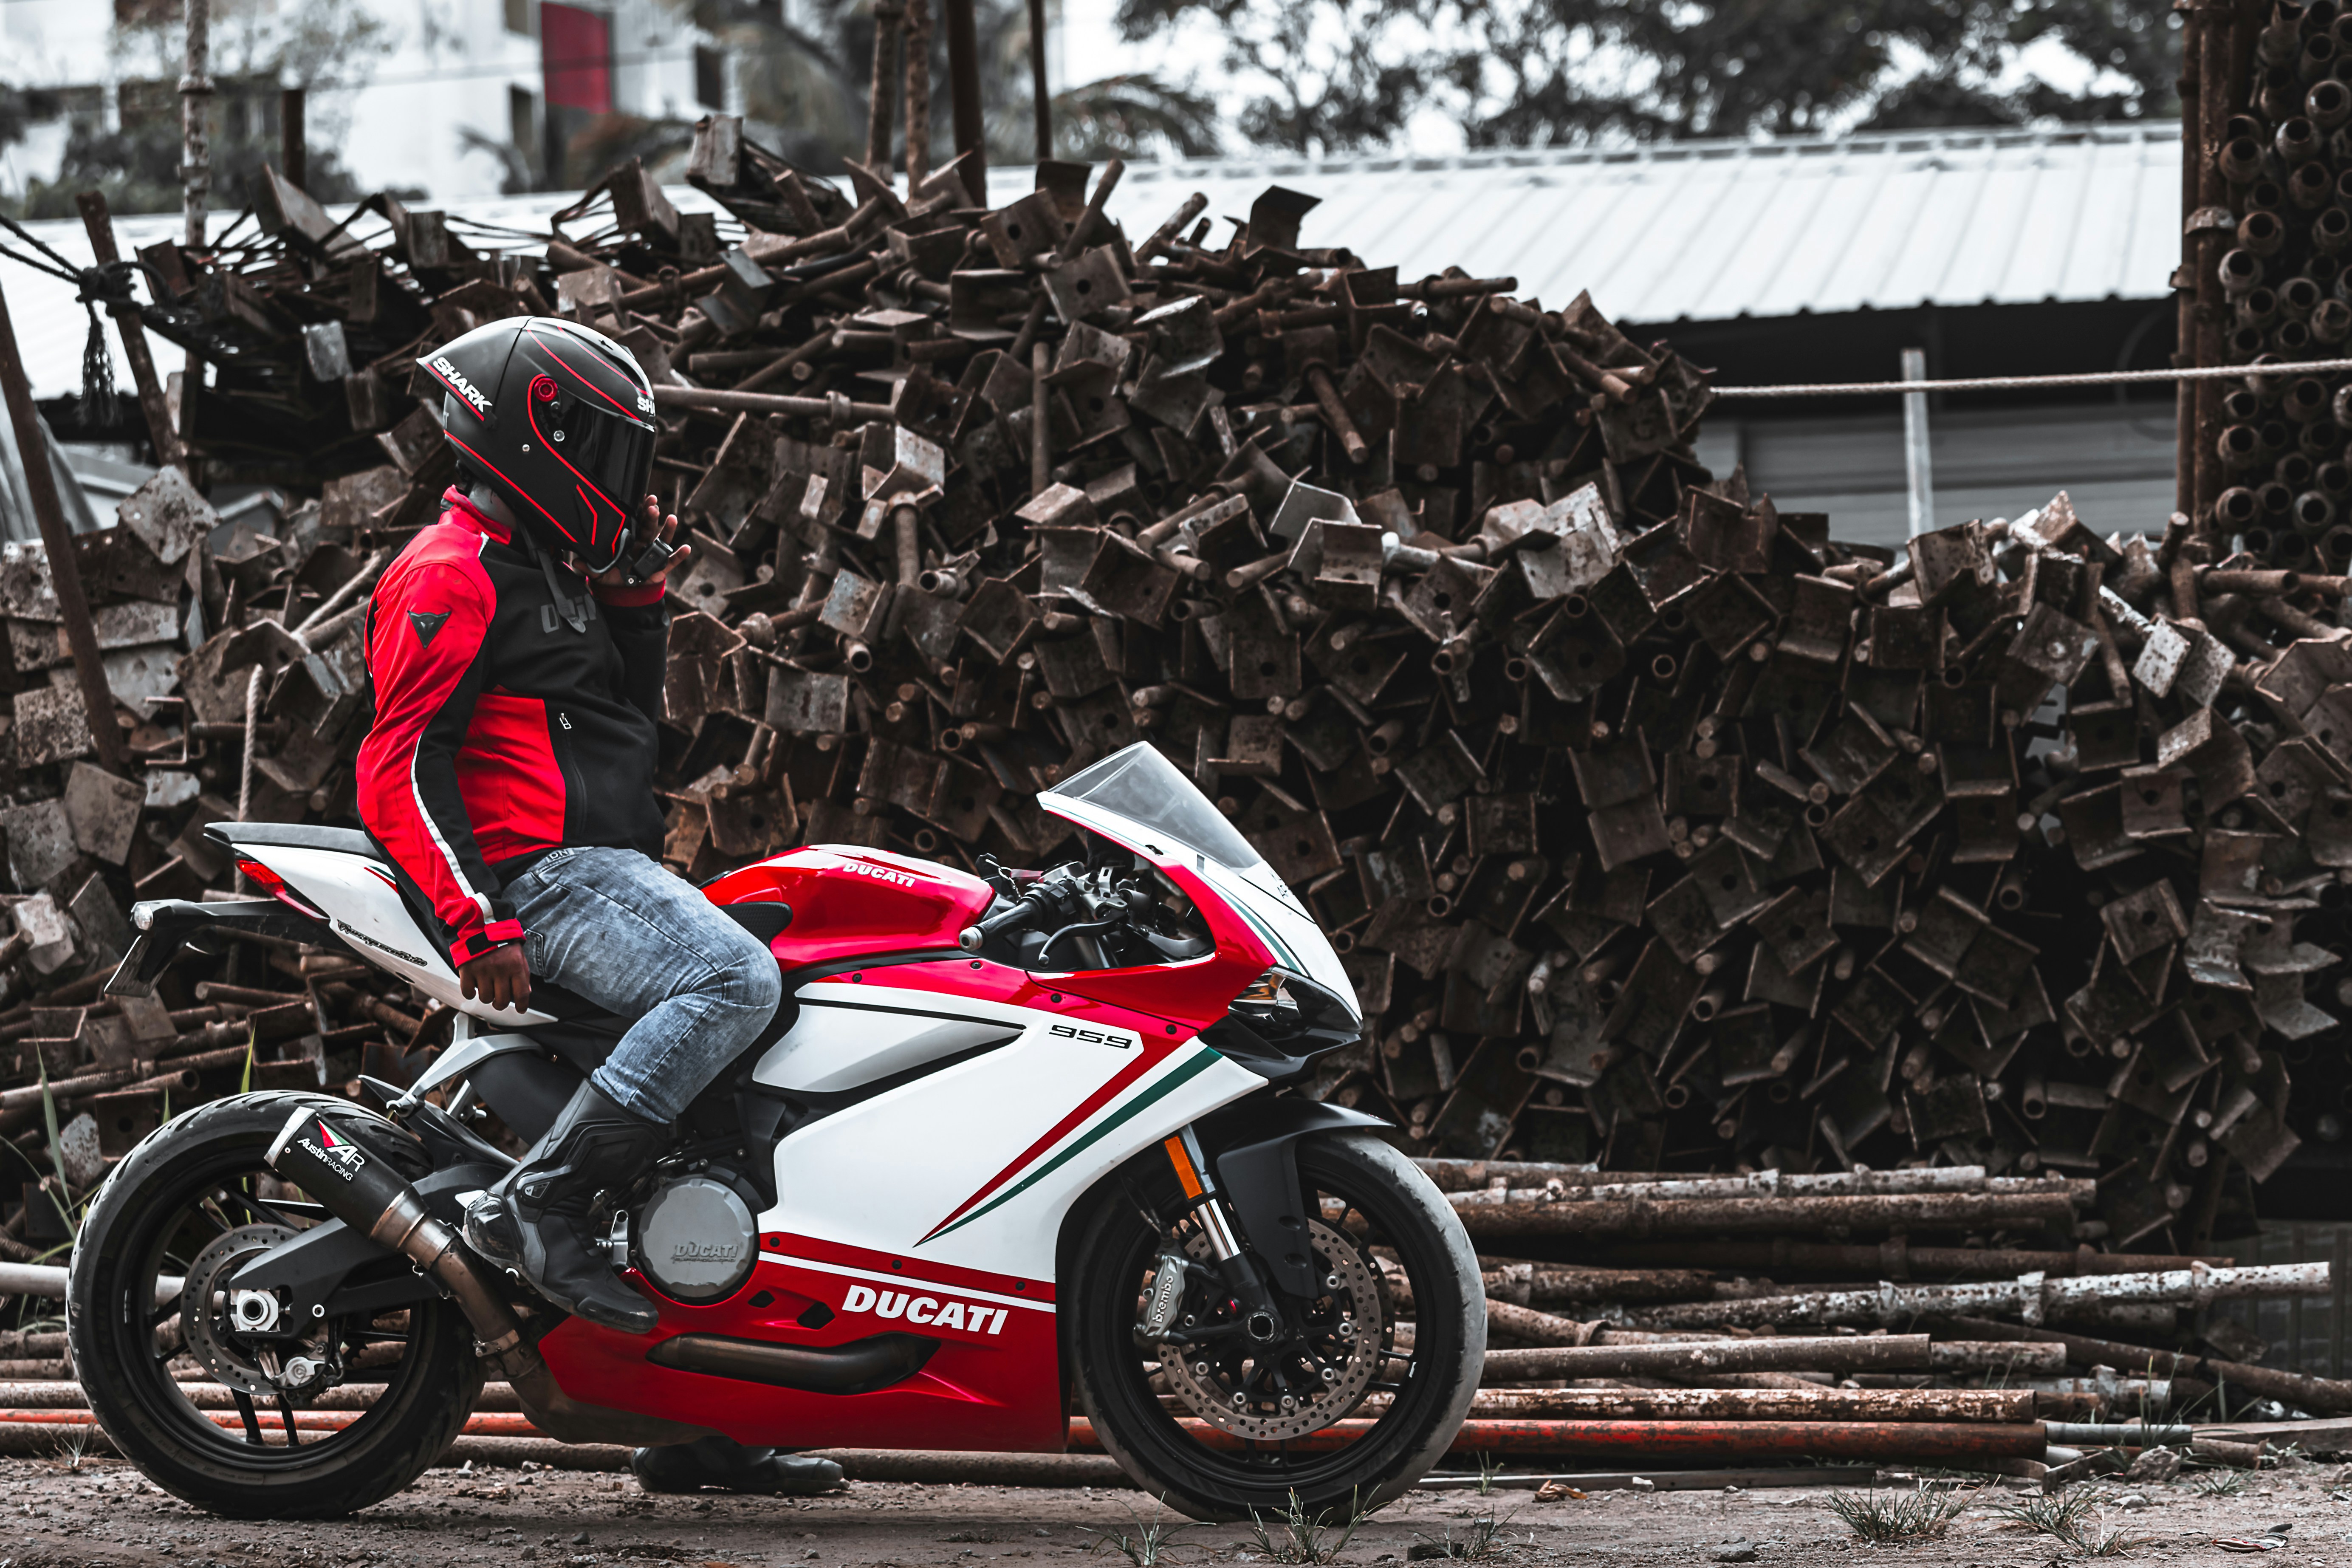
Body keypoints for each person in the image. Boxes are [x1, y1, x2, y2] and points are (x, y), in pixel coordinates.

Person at [355, 315, 784, 1336]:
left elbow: (619, 727)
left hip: (598, 864)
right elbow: (396, 766)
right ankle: (538, 1201)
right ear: (529, 434)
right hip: (534, 876)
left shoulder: (545, 562)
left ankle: (703, 1413)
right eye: (603, 450)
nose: (624, 479)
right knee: (733, 980)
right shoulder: (451, 570)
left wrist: (637, 599)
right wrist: (478, 921)